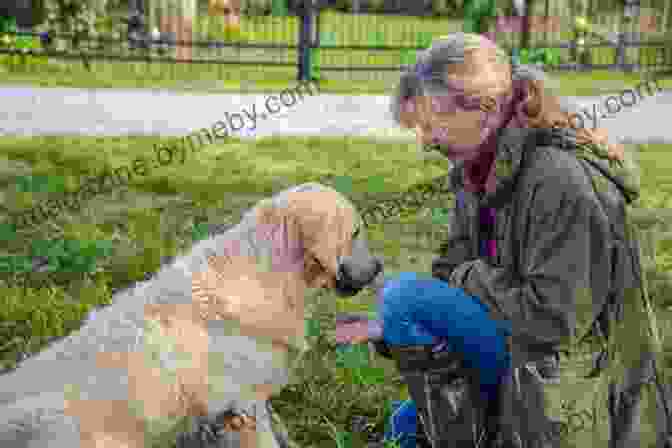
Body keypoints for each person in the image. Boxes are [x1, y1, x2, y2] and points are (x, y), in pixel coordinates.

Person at [359, 32, 660, 448]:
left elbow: (556, 320)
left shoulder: (560, 180)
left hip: (571, 386)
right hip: (521, 346)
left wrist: (462, 283)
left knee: (403, 298)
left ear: (484, 109)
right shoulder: (477, 169)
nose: (425, 141)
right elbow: (454, 266)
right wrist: (405, 332)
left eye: (430, 125)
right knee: (403, 426)